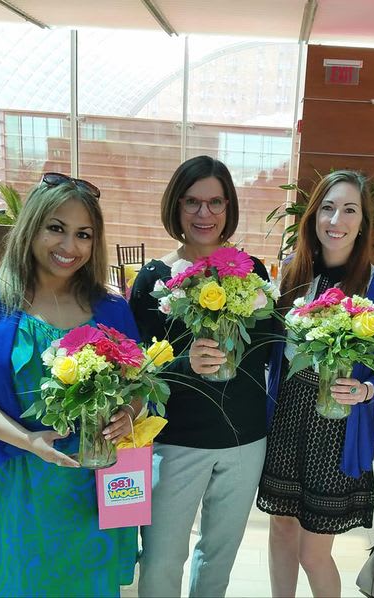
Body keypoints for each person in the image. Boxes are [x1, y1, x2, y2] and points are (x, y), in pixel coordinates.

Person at [0, 172, 140, 597]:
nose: (70, 246)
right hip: (20, 484)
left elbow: (140, 386)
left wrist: (128, 414)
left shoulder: (112, 309)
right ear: (32, 226)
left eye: (83, 234)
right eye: (56, 228)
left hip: (95, 486)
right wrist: (28, 440)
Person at [130, 155, 272, 597]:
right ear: (176, 206)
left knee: (218, 558)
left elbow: (267, 348)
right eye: (192, 202)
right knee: (161, 559)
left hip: (244, 439)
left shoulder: (251, 271)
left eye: (215, 202)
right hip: (177, 441)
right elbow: (138, 369)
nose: (204, 213)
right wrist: (184, 363)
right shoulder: (155, 279)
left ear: (229, 207)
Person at [256, 170, 374, 598]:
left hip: (336, 425)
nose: (336, 220)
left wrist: (365, 390)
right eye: (328, 208)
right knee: (281, 528)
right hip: (286, 416)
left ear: (363, 223)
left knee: (314, 552)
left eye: (349, 210)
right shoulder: (293, 272)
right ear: (314, 216)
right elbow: (271, 347)